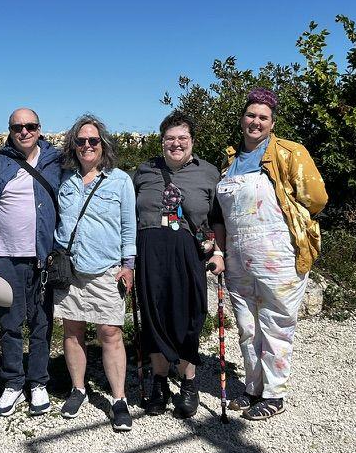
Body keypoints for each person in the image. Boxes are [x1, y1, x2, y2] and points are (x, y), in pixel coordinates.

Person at [213, 88, 328, 421]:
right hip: (238, 257)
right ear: (242, 119)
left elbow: (316, 198)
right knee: (247, 325)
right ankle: (253, 388)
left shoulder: (289, 153)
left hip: (278, 254)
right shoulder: (230, 162)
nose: (256, 122)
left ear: (272, 123)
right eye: (251, 115)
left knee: (276, 323)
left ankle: (275, 394)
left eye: (263, 117)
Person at [0, 107, 62, 417]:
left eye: (30, 126)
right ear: (10, 130)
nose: (24, 131)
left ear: (39, 128)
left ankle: (38, 382)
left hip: (43, 257)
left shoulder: (55, 162)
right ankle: (13, 382)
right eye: (17, 127)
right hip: (5, 258)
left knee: (41, 323)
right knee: (9, 324)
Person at [132, 110, 224, 418]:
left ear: (192, 140)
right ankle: (159, 381)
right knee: (154, 315)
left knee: (189, 316)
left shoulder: (208, 172)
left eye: (182, 137)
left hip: (188, 252)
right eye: (170, 138)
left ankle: (188, 381)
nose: (176, 143)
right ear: (161, 142)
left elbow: (217, 218)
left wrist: (218, 252)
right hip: (150, 251)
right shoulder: (144, 171)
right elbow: (127, 215)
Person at [53, 115, 137, 432]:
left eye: (93, 140)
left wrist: (129, 264)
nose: (87, 145)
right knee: (72, 330)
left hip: (106, 269)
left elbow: (129, 227)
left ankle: (118, 399)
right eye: (81, 140)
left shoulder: (120, 181)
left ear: (103, 144)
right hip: (70, 268)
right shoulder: (64, 179)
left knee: (110, 333)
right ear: (73, 145)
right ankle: (78, 389)